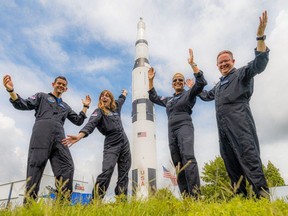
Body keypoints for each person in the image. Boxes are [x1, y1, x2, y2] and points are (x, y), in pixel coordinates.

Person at [198, 11, 270, 198]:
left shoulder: (241, 74)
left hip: (241, 126)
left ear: (233, 61)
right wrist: (195, 85)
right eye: (220, 63)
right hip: (223, 132)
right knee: (232, 167)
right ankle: (240, 201)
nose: (223, 64)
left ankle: (262, 200)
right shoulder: (218, 86)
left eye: (226, 61)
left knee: (250, 161)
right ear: (217, 65)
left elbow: (259, 64)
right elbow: (206, 96)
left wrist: (260, 36)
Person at [3, 75, 91, 203]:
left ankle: (62, 205)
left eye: (63, 85)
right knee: (36, 166)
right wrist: (11, 91)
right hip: (41, 132)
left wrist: (85, 107)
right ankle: (30, 206)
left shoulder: (65, 107)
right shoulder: (42, 96)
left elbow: (78, 121)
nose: (61, 86)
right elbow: (23, 104)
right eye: (59, 83)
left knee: (67, 166)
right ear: (53, 84)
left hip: (59, 137)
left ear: (66, 89)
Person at [148, 49, 207, 198]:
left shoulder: (189, 93)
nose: (178, 82)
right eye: (175, 80)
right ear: (172, 85)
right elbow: (154, 97)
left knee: (188, 158)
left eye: (180, 80)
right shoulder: (168, 100)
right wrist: (150, 80)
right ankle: (186, 198)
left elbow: (201, 83)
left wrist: (193, 65)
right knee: (178, 163)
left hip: (185, 127)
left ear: (183, 83)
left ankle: (196, 197)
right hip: (171, 131)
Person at [62, 89, 131, 200]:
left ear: (111, 99)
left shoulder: (116, 107)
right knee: (107, 171)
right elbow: (91, 124)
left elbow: (121, 99)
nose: (104, 97)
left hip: (124, 142)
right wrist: (79, 136)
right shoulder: (99, 112)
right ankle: (95, 201)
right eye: (102, 96)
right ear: (100, 100)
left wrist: (124, 93)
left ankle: (121, 201)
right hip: (111, 144)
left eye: (107, 96)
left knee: (124, 174)